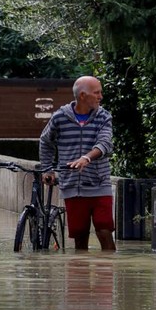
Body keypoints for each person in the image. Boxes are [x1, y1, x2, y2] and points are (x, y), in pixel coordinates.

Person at [40, 75, 116, 251]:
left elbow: (105, 143)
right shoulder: (59, 118)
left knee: (104, 229)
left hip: (99, 182)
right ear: (82, 95)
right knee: (80, 234)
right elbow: (45, 141)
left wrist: (86, 158)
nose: (100, 97)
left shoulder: (103, 116)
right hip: (72, 185)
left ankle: (107, 273)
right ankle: (79, 274)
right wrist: (47, 169)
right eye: (97, 93)